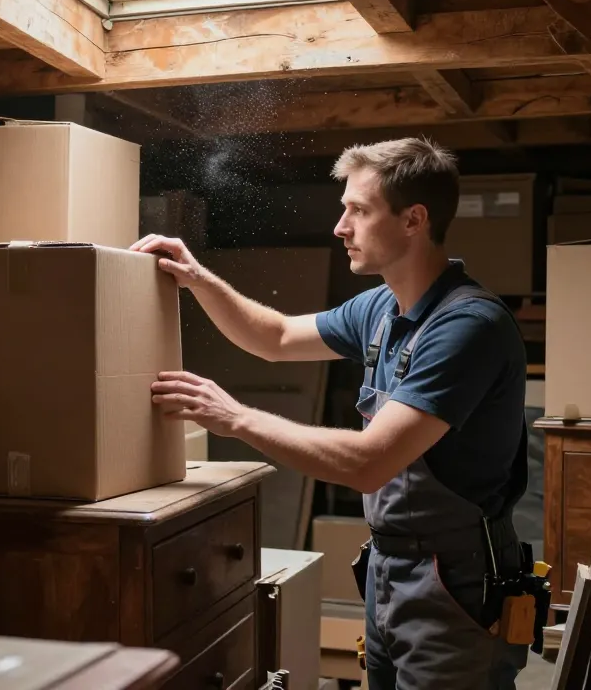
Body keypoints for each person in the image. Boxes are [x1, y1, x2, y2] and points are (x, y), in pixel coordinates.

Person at [131, 137, 531, 690]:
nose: (341, 226)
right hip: (390, 571)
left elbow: (370, 462)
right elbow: (275, 336)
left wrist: (236, 418)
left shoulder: (466, 327)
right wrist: (199, 278)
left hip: (454, 579)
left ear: (414, 220)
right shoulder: (382, 307)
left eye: (359, 211)